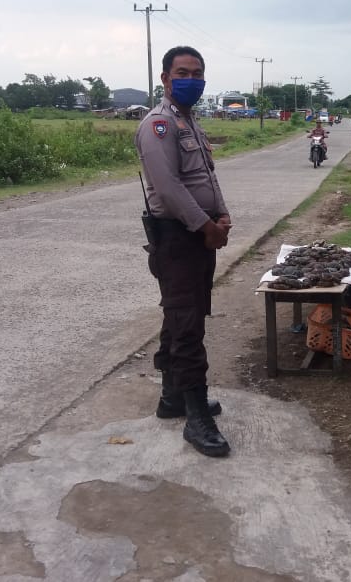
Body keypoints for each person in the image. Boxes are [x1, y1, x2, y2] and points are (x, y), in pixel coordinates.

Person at [135, 45, 232, 458]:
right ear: (165, 78)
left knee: (181, 316)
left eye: (197, 73)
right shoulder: (158, 125)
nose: (191, 79)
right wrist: (206, 227)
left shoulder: (191, 123)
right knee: (187, 323)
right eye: (183, 73)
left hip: (200, 237)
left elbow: (208, 177)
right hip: (177, 238)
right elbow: (169, 188)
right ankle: (196, 417)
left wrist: (222, 215)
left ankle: (172, 396)